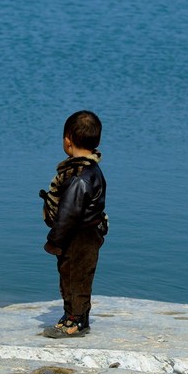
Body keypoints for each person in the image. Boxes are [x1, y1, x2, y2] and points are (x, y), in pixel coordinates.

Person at [39, 111, 108, 338]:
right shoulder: (92, 170)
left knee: (75, 277)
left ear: (68, 140)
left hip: (79, 236)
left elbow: (68, 215)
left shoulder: (79, 178)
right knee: (75, 275)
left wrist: (54, 240)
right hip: (89, 233)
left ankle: (76, 321)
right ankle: (73, 316)